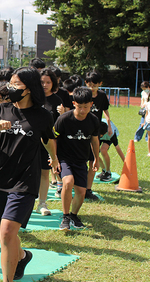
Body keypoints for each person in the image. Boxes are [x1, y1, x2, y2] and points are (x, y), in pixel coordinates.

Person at [0, 66, 58, 282]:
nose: (11, 89)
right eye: (10, 84)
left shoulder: (42, 115)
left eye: (17, 85)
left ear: (30, 88)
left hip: (25, 181)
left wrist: (55, 159)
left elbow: (48, 138)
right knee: (6, 234)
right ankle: (23, 256)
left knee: (6, 233)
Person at [54, 86, 100, 230]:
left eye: (85, 107)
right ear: (74, 103)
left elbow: (94, 140)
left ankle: (74, 215)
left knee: (81, 192)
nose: (82, 110)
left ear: (91, 105)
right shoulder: (64, 119)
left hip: (81, 160)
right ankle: (65, 216)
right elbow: (52, 139)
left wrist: (96, 159)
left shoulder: (93, 120)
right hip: (64, 159)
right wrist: (53, 158)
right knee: (68, 181)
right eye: (79, 106)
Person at [36, 67, 62, 216]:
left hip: (47, 141)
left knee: (44, 173)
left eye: (48, 82)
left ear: (53, 83)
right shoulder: (33, 97)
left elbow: (58, 124)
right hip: (31, 139)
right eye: (42, 82)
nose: (45, 85)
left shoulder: (57, 100)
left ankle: (42, 203)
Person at [84, 70, 112, 201]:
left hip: (95, 131)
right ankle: (78, 185)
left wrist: (109, 124)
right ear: (86, 83)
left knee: (92, 159)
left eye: (95, 84)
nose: (92, 87)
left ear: (100, 84)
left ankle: (88, 189)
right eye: (90, 84)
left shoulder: (101, 96)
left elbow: (105, 110)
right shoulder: (83, 95)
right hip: (82, 131)